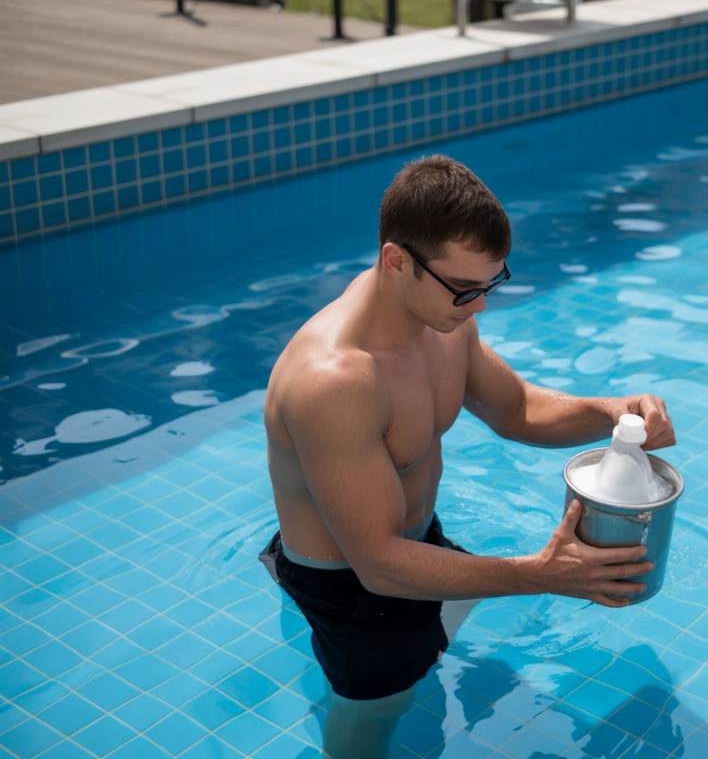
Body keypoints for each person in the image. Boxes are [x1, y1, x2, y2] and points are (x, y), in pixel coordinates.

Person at [259, 154, 676, 757]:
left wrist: (610, 411)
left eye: (491, 284)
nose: (480, 307)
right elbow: (377, 565)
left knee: (452, 629)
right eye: (466, 289)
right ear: (396, 262)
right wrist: (540, 573)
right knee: (373, 720)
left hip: (413, 544)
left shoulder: (441, 317)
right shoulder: (336, 379)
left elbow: (516, 410)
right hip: (352, 589)